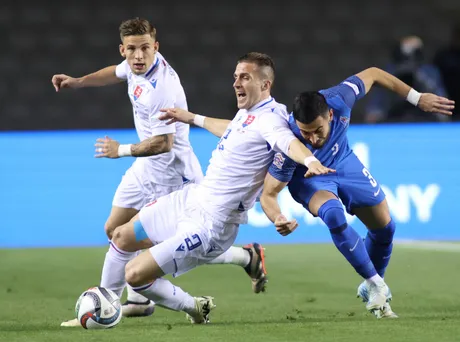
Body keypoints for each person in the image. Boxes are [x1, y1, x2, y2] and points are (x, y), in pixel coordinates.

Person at [51, 19, 267, 326]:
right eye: (131, 49)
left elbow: (164, 144)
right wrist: (78, 81)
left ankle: (111, 306)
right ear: (123, 49)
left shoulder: (162, 88)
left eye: (144, 48)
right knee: (115, 230)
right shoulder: (131, 65)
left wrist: (121, 150)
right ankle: (133, 301)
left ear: (156, 47)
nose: (138, 56)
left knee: (172, 246)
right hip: (145, 169)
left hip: (173, 175)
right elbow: (114, 72)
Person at [96, 52, 334, 324]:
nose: (236, 83)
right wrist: (192, 118)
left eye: (245, 77)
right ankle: (104, 301)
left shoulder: (271, 120)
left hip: (211, 226)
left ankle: (195, 306)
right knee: (121, 235)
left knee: (135, 276)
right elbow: (231, 128)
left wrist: (310, 159)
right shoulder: (250, 114)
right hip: (193, 199)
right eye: (235, 77)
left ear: (266, 85)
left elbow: (286, 143)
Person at [260, 67, 454, 318]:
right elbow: (268, 194)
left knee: (385, 228)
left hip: (344, 162)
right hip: (310, 179)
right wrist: (277, 217)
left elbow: (374, 74)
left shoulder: (340, 98)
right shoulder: (288, 143)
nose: (312, 138)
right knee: (334, 216)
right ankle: (377, 285)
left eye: (317, 130)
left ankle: (372, 285)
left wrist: (416, 98)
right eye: (305, 132)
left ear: (330, 114)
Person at [365, 36, 448, 123]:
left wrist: (421, 80)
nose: (409, 60)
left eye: (414, 53)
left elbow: (443, 113)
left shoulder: (429, 72)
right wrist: (394, 82)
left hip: (424, 121)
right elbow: (373, 113)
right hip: (394, 121)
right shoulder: (389, 73)